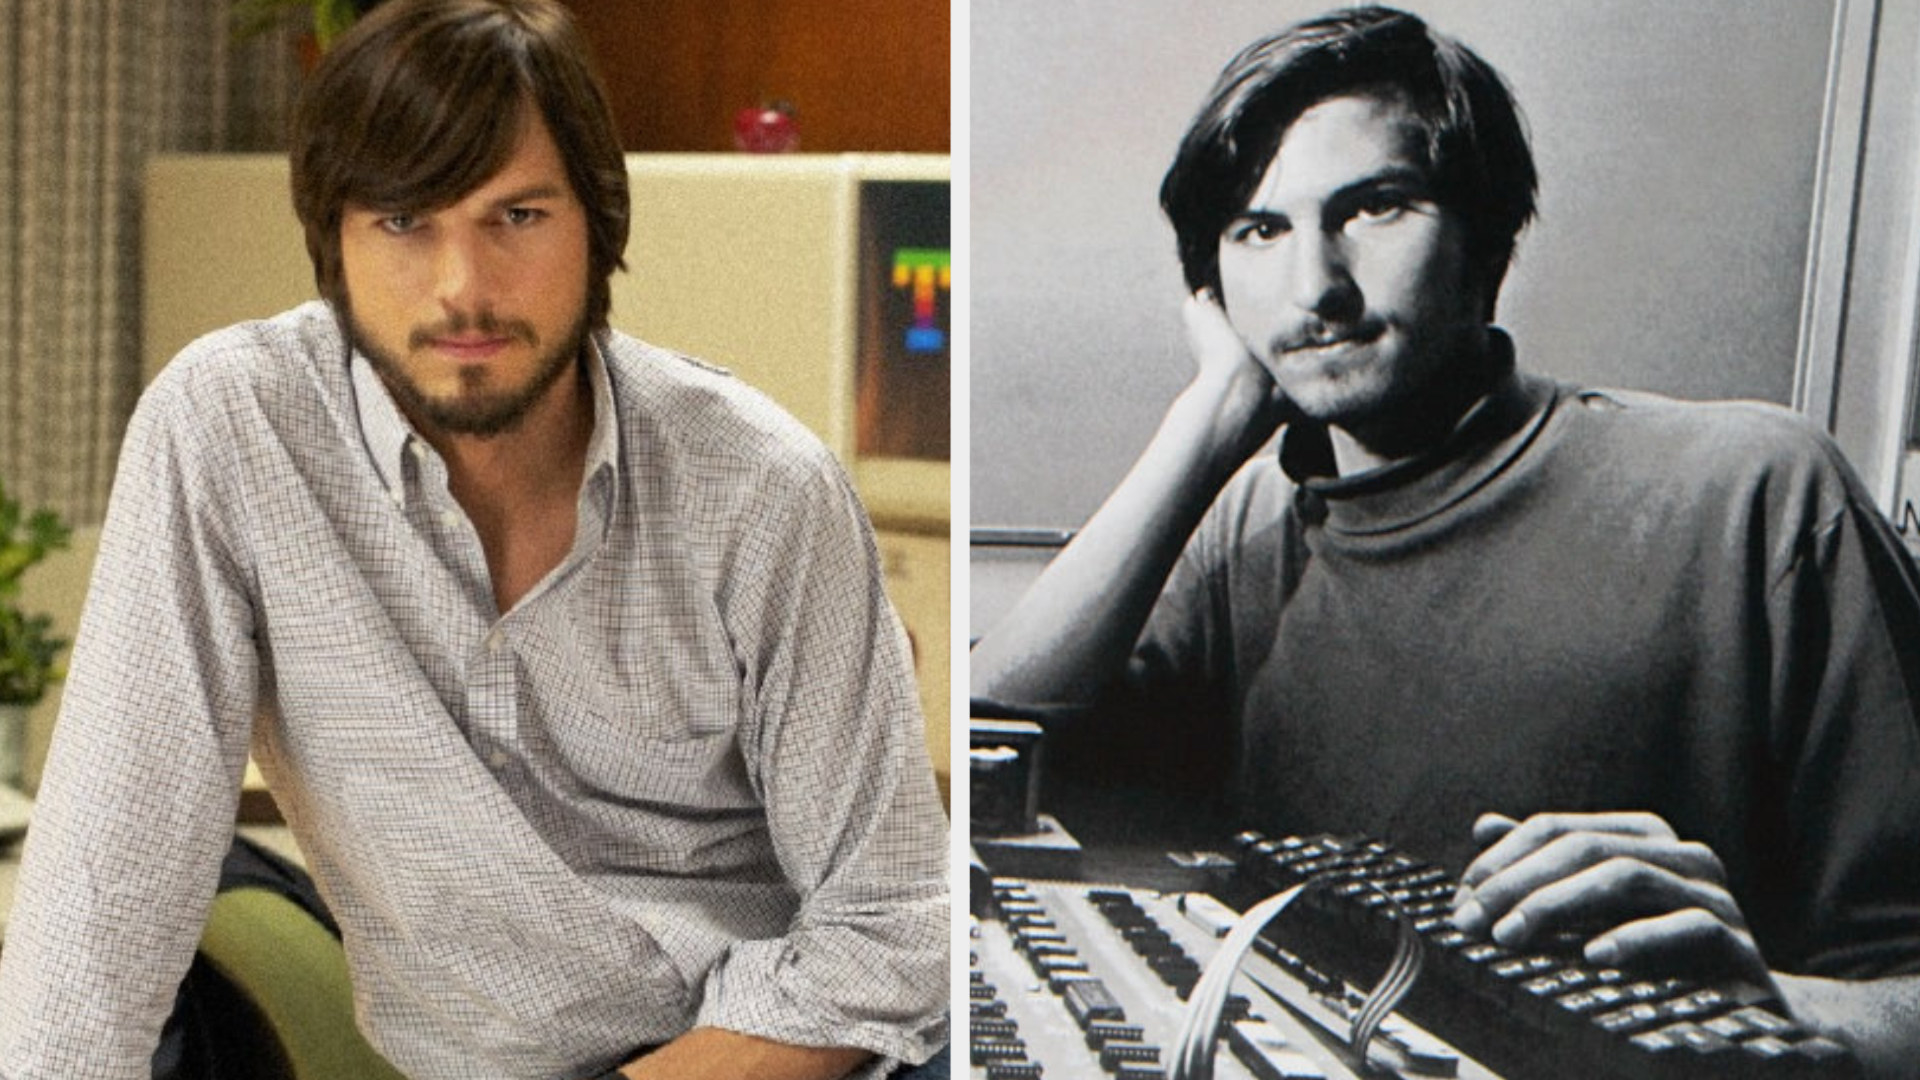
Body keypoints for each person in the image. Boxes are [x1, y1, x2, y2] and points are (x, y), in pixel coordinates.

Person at [0, 2, 948, 1078]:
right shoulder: (233, 432)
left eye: (519, 217)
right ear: (335, 244)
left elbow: (889, 925)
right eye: (404, 223)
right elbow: (101, 899)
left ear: (598, 226)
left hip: (782, 1053)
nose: (462, 287)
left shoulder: (764, 489)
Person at [969, 6, 1920, 1074]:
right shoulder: (1244, 527)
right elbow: (980, 760)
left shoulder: (1761, 494)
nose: (1315, 288)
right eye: (1258, 231)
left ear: (1486, 235)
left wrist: (1763, 1007)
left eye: (1376, 207)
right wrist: (1207, 424)